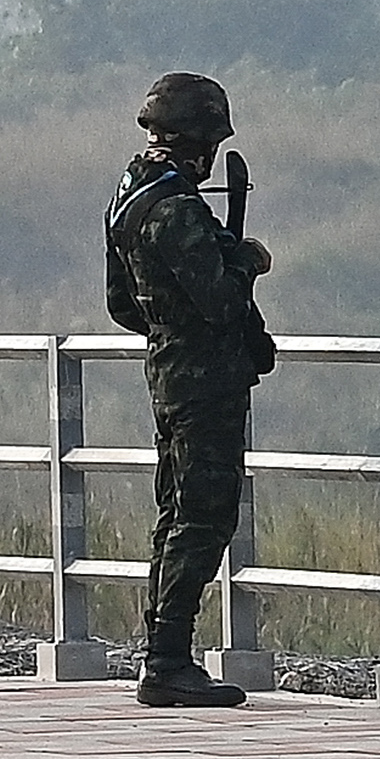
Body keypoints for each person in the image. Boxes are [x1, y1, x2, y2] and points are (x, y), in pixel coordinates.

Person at [104, 68, 278, 708]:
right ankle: (168, 659)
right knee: (203, 516)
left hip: (168, 372)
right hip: (203, 381)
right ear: (198, 140)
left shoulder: (132, 197)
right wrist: (242, 259)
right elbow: (221, 301)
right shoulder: (178, 211)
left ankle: (163, 653)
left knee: (176, 513)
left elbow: (123, 305)